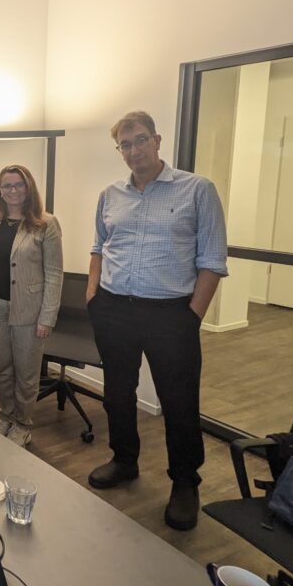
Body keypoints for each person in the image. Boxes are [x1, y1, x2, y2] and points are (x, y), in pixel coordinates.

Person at [86, 111, 228, 531]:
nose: (133, 150)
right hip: (114, 308)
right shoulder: (111, 194)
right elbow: (98, 246)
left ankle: (185, 482)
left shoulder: (197, 190)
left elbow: (213, 261)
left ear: (158, 140)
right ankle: (124, 459)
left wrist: (192, 318)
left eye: (140, 140)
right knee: (117, 392)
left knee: (179, 401)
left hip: (171, 313)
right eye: (125, 145)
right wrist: (93, 294)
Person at [0, 165, 63, 447]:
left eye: (18, 185)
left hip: (29, 309)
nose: (12, 191)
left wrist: (47, 316)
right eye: (6, 186)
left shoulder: (45, 223)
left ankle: (23, 423)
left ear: (28, 188)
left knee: (26, 372)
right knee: (3, 369)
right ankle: (6, 417)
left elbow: (55, 273)